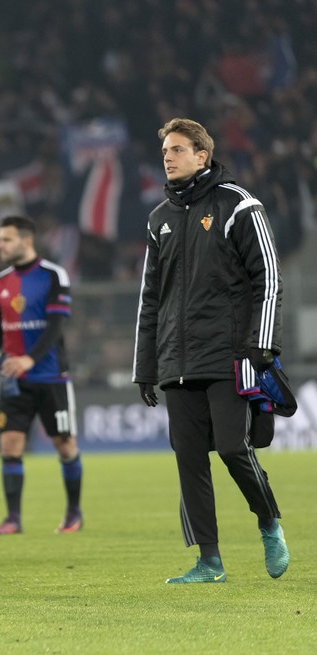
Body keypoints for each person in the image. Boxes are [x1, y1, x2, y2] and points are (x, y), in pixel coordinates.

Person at [133, 117, 290, 584]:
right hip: (175, 359)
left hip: (230, 355)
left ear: (202, 155)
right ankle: (209, 560)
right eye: (165, 150)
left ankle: (268, 522)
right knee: (188, 459)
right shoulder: (159, 217)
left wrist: (259, 345)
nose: (168, 156)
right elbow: (150, 297)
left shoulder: (238, 204)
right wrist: (145, 366)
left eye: (178, 149)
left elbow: (270, 279)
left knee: (232, 448)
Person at [0, 215, 82, 536]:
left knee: (64, 445)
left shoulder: (54, 275)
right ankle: (13, 519)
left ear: (26, 241)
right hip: (13, 380)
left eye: (6, 239)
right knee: (10, 444)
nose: (0, 245)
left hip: (51, 376)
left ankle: (73, 513)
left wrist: (29, 358)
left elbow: (55, 326)